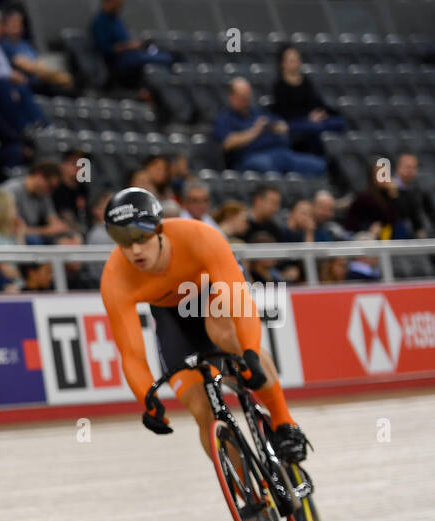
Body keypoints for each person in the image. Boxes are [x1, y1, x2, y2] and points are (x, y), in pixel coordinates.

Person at [97, 188, 310, 483]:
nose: (134, 251)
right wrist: (148, 400)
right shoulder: (115, 277)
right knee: (202, 410)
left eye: (141, 238)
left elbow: (237, 300)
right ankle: (248, 491)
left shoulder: (198, 236)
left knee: (223, 328)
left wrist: (249, 352)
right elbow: (131, 354)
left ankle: (285, 423)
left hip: (214, 294)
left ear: (159, 230)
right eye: (123, 241)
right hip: (172, 316)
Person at [214, 78, 327, 177]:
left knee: (318, 165)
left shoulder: (258, 112)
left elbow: (281, 124)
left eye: (247, 96)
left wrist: (279, 127)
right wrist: (254, 131)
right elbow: (227, 143)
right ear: (232, 97)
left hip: (281, 152)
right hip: (251, 157)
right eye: (242, 97)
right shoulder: (225, 118)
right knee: (266, 167)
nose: (246, 101)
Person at [271, 44, 345, 156]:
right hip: (295, 122)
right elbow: (284, 112)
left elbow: (316, 102)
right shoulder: (279, 86)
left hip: (312, 120)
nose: (296, 63)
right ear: (283, 63)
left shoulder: (306, 82)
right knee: (313, 128)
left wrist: (324, 113)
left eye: (297, 59)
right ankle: (326, 163)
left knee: (339, 121)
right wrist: (307, 118)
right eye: (291, 60)